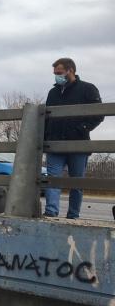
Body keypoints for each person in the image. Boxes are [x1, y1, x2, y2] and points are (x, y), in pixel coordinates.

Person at [43, 58, 103, 219]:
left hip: (78, 144)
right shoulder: (53, 92)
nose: (56, 76)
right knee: (52, 179)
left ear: (71, 71)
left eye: (59, 73)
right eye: (55, 73)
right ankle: (51, 211)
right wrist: (44, 138)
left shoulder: (88, 89)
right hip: (55, 144)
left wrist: (81, 129)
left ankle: (73, 215)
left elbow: (99, 113)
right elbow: (46, 117)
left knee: (77, 182)